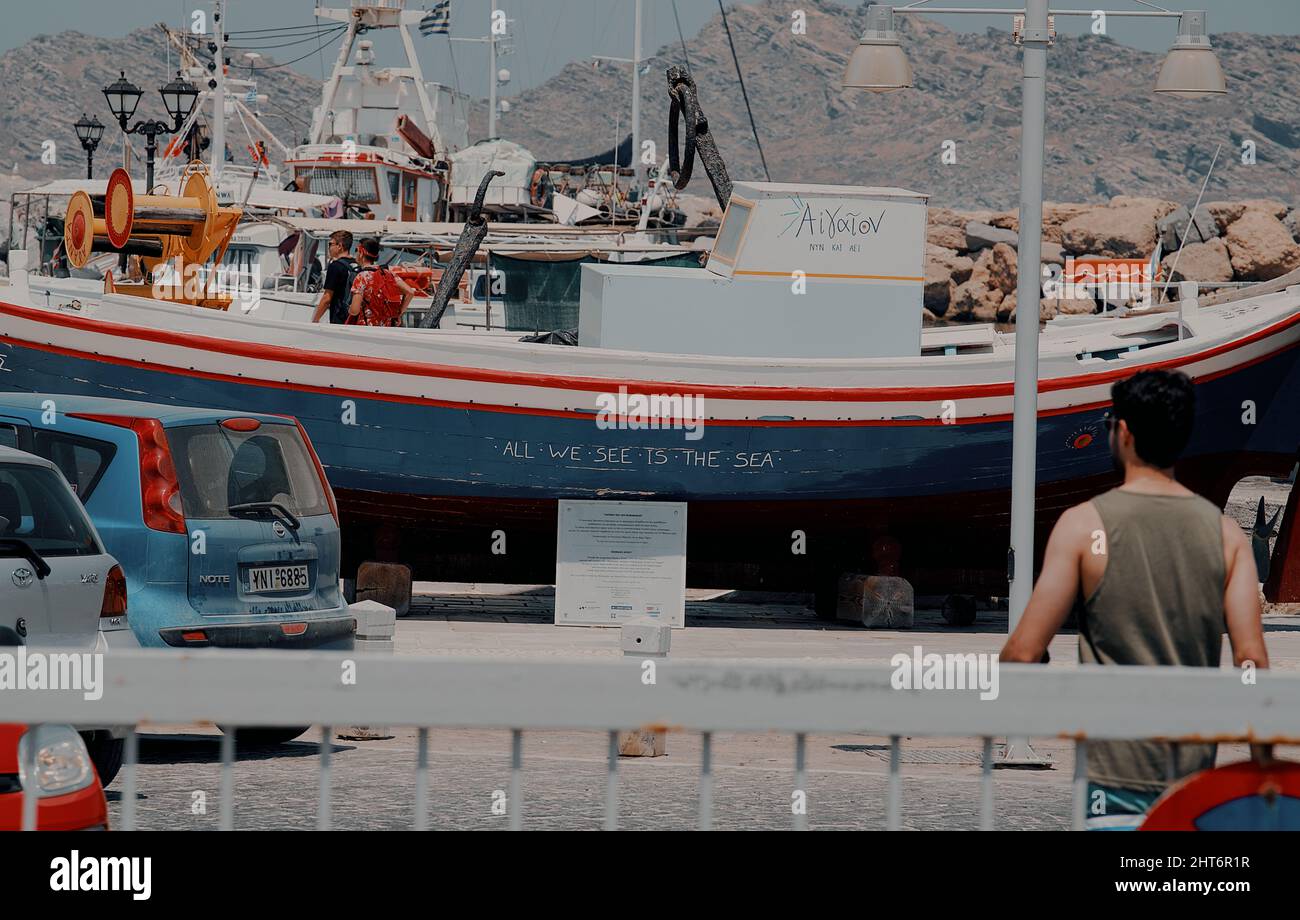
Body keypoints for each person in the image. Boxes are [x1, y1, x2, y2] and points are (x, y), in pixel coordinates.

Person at [1000, 368, 1270, 830]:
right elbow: (1251, 661)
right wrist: (1264, 771)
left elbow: (1023, 652)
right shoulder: (1226, 535)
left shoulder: (1084, 526)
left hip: (1112, 785)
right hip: (1190, 793)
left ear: (1122, 432)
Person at [348, 237, 416, 327]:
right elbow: (410, 292)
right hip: (386, 329)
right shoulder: (388, 273)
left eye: (356, 250)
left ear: (361, 253)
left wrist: (349, 309)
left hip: (366, 329)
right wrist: (398, 313)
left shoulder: (362, 277)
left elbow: (354, 310)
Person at [311, 230, 355, 324]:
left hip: (340, 317)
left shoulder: (335, 266)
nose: (329, 248)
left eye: (330, 244)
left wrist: (315, 320)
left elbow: (327, 298)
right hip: (353, 318)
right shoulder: (357, 265)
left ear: (339, 246)